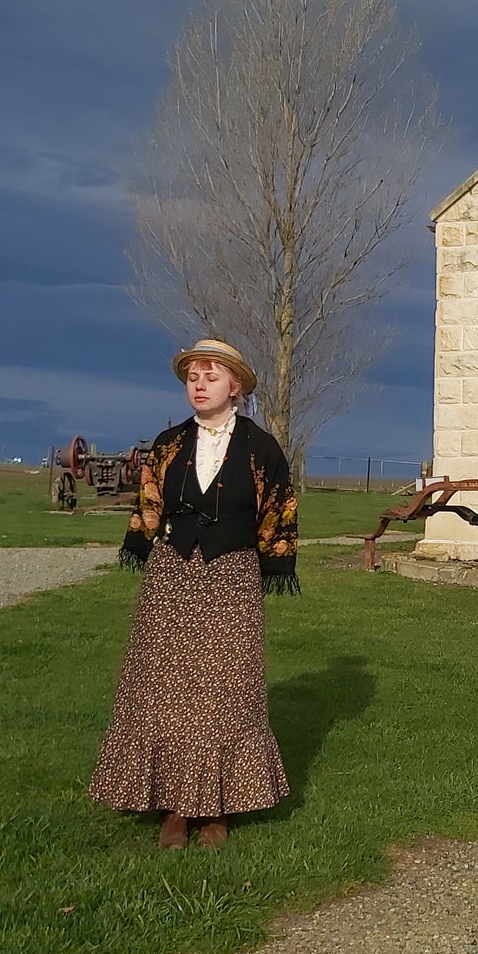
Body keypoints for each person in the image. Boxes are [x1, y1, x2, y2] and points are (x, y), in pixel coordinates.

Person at [89, 339, 299, 850]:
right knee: (164, 688)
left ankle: (217, 811)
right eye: (193, 378)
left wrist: (273, 559)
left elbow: (278, 508)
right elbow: (149, 501)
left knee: (227, 691)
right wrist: (143, 543)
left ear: (236, 386)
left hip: (230, 576)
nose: (199, 385)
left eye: (211, 376)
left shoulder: (261, 447)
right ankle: (175, 808)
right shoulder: (167, 443)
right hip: (172, 575)